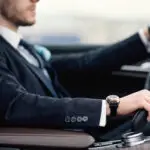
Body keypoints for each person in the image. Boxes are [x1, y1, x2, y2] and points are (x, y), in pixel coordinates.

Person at [1, 0, 150, 130]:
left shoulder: (23, 49)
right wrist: (111, 107)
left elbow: (82, 64)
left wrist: (146, 36)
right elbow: (15, 105)